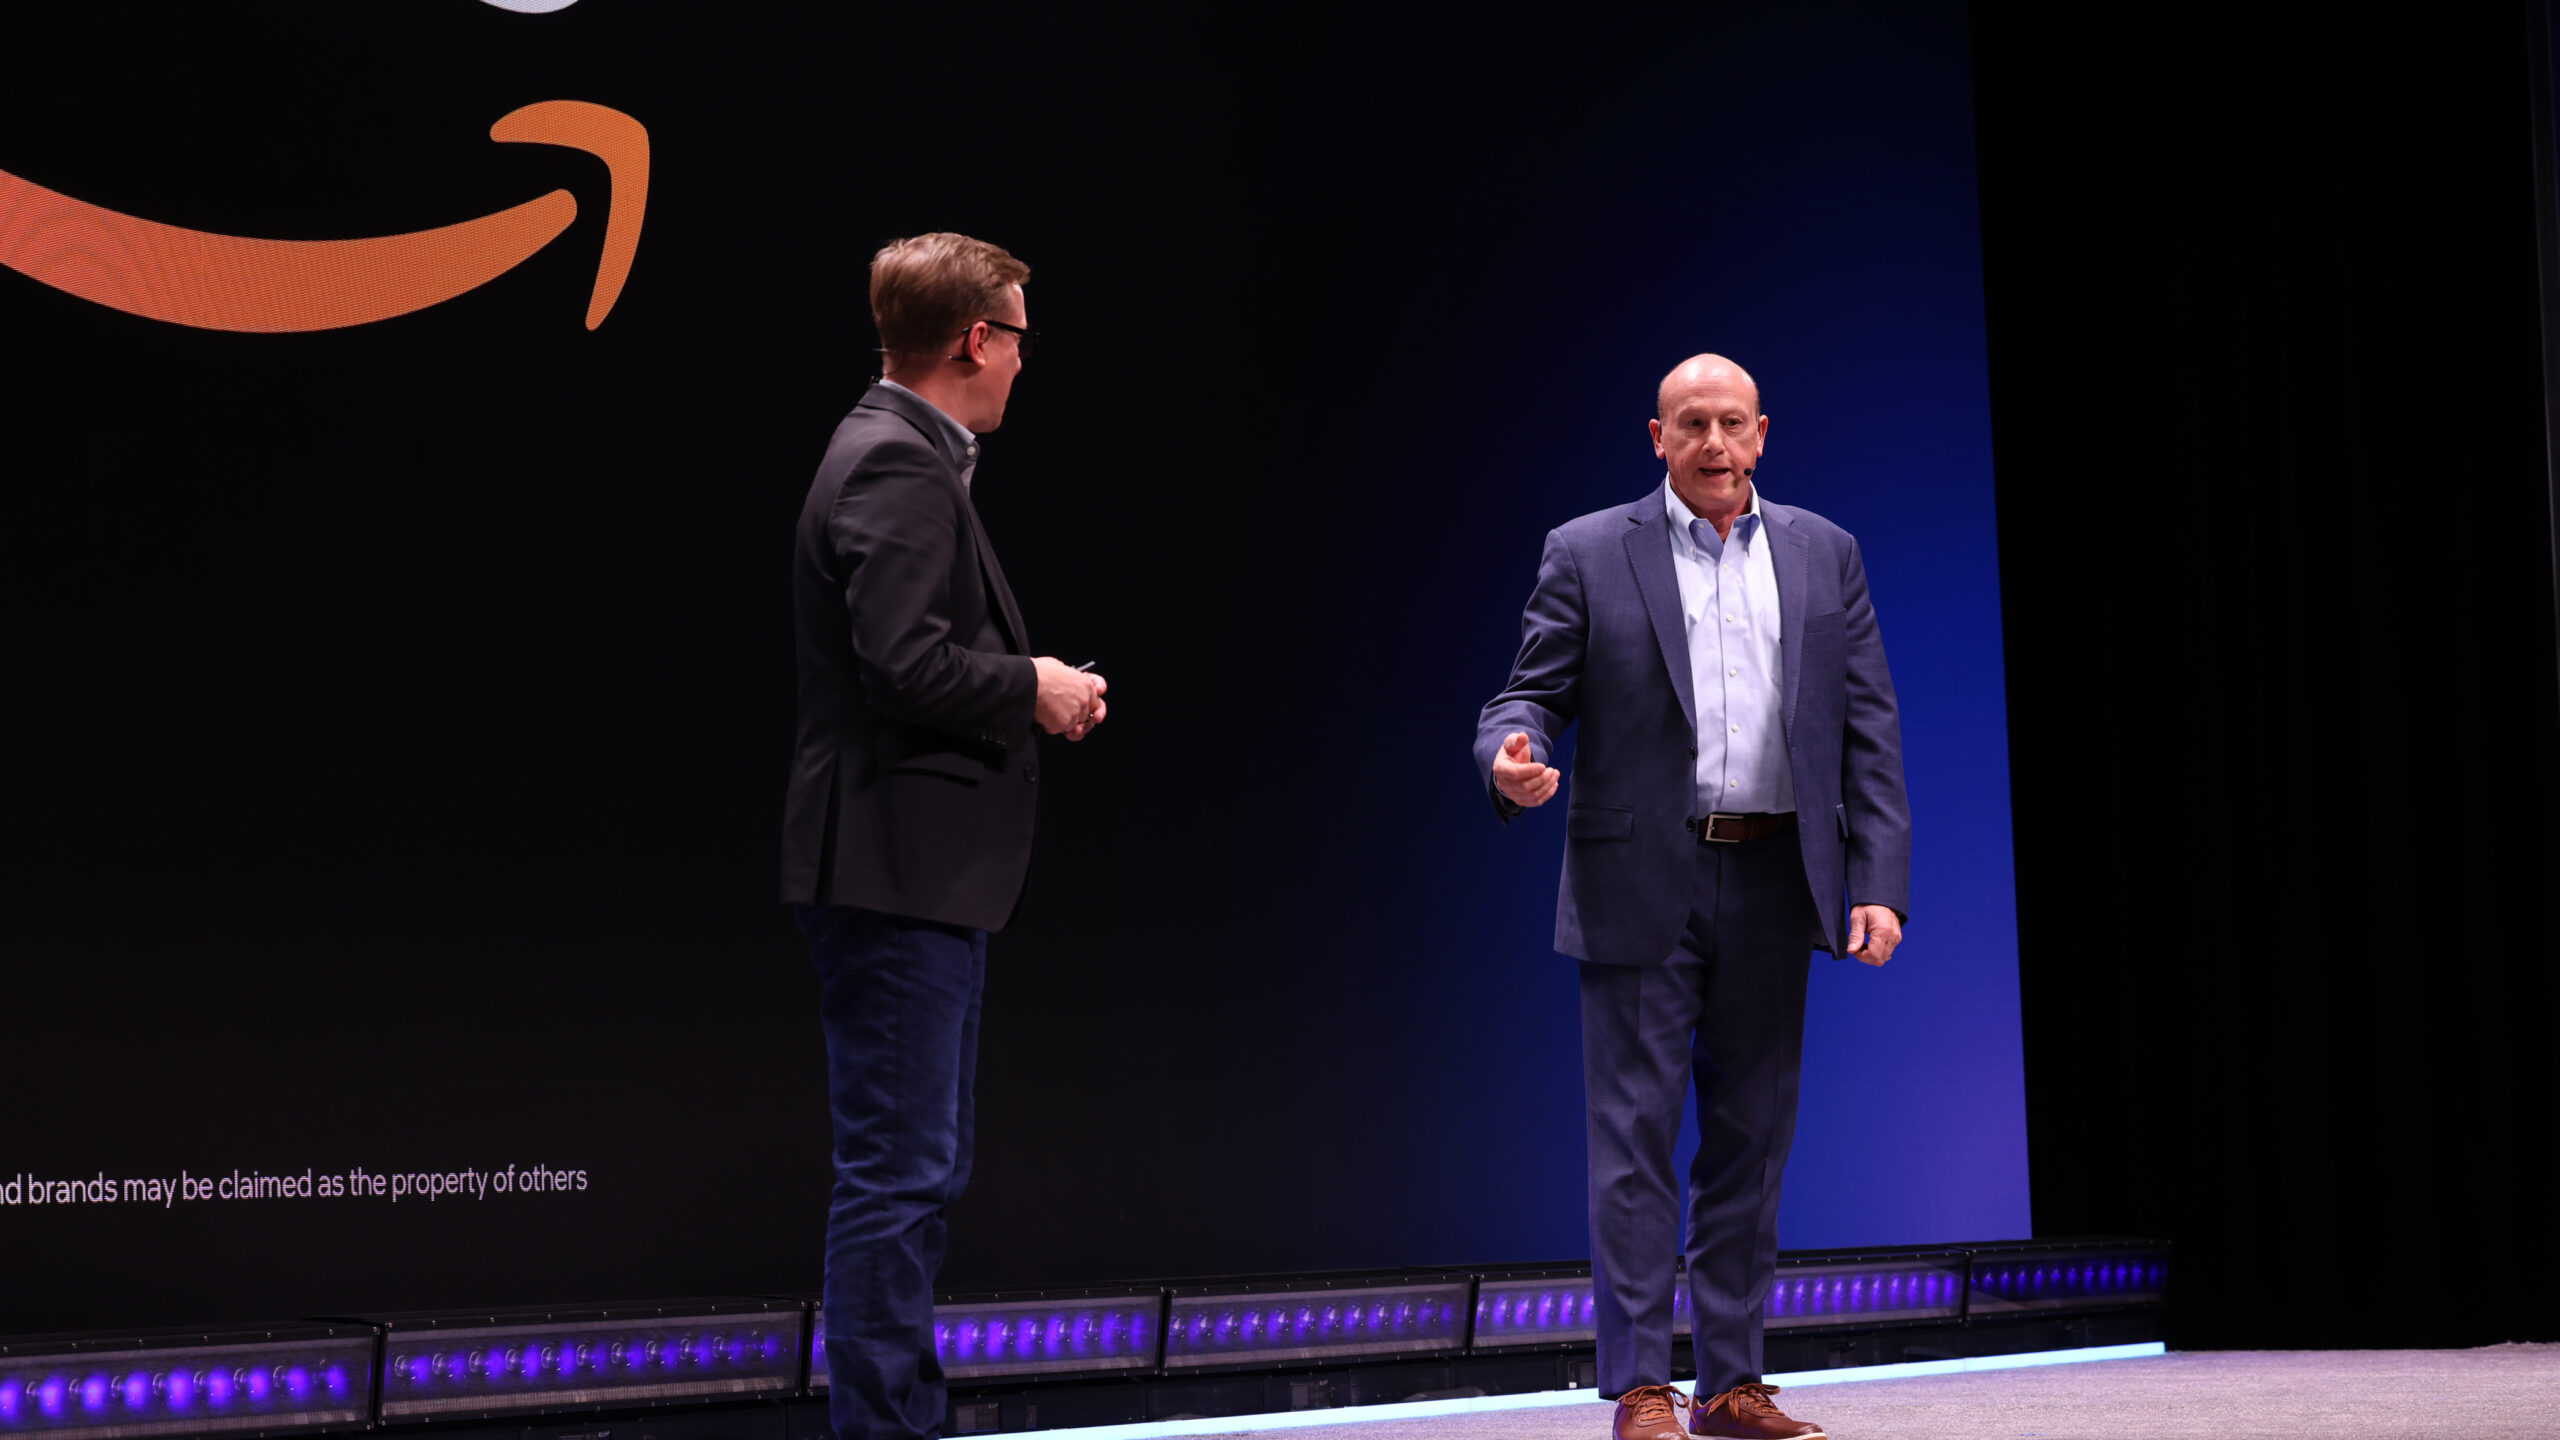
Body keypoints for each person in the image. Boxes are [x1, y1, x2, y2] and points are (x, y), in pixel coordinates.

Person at [1473, 355, 1909, 1440]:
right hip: (1639, 880)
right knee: (1634, 1145)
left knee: (1751, 1143)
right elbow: (1527, 694)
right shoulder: (1588, 550)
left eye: (1731, 423)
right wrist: (1509, 756)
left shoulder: (1823, 551)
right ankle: (1639, 1387)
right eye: (1691, 424)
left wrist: (1878, 882)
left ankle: (1728, 1383)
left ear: (1761, 433)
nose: (1713, 443)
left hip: (1776, 877)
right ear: (1657, 437)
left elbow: (1868, 726)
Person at [781, 232, 1107, 1440]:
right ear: (975, 339)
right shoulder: (894, 461)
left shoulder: (908, 454)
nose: (1024, 361)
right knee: (899, 1175)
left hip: (914, 877)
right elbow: (902, 663)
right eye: (1017, 337)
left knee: (918, 1171)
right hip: (895, 874)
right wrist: (1033, 686)